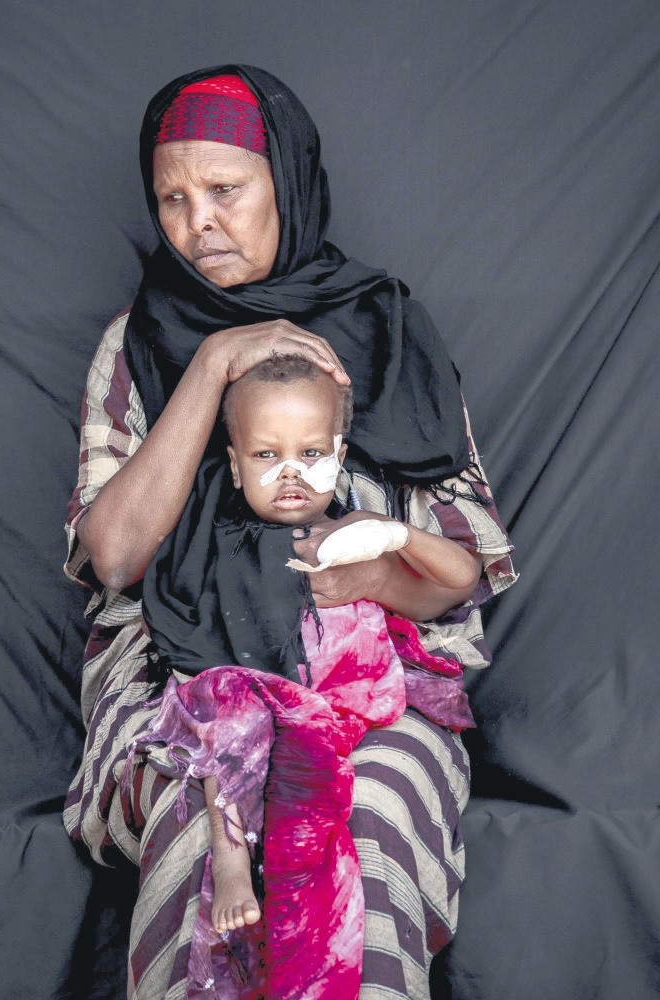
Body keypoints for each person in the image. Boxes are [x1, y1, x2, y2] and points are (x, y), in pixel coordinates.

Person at [63, 66, 517, 1000]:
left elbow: (466, 559)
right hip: (183, 681)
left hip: (367, 676)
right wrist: (213, 364)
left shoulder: (389, 329)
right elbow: (114, 558)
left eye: (225, 190)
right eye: (173, 199)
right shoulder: (137, 344)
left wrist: (365, 576)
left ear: (288, 183)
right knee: (209, 826)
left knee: (370, 809)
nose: (199, 224)